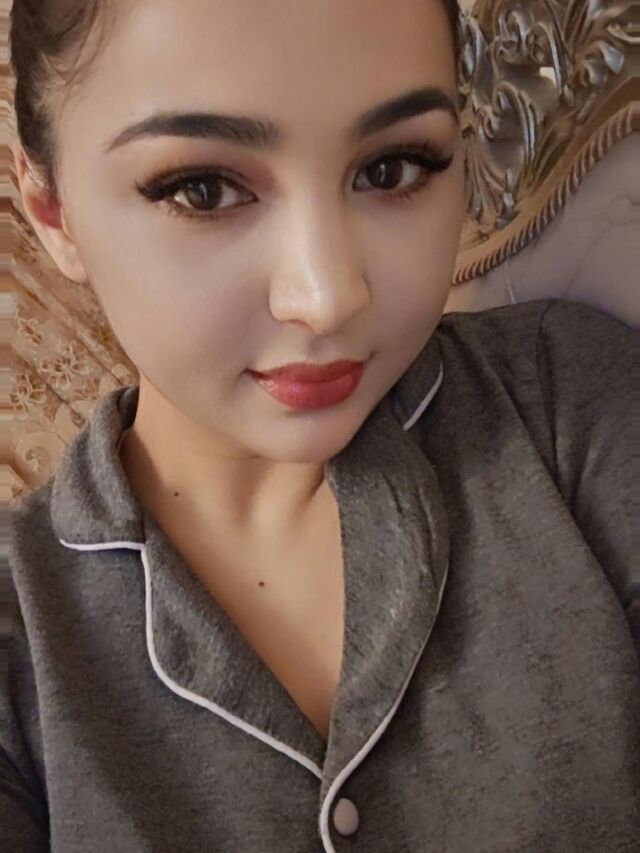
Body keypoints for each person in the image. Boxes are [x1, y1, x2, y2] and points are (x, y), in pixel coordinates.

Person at [3, 0, 638, 850]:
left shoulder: (570, 407)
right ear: (53, 212)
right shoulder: (21, 633)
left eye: (392, 169)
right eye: (203, 188)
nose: (329, 296)